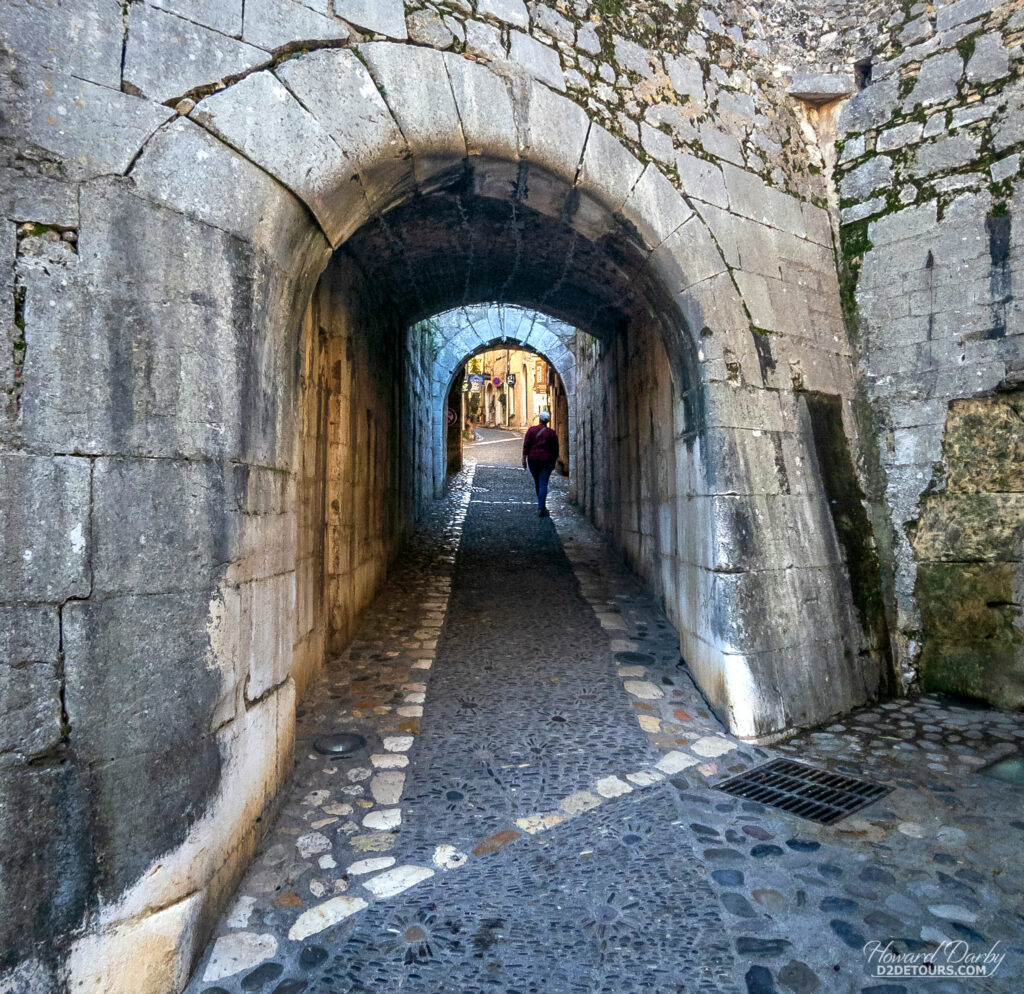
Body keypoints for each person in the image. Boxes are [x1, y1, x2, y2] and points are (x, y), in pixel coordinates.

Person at [522, 411, 559, 517]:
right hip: (546, 461)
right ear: (548, 421)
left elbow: (526, 445)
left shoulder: (531, 430)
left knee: (537, 482)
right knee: (543, 483)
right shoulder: (551, 433)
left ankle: (541, 506)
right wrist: (554, 461)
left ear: (539, 419)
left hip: (533, 460)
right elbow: (555, 449)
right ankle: (541, 507)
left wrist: (524, 459)